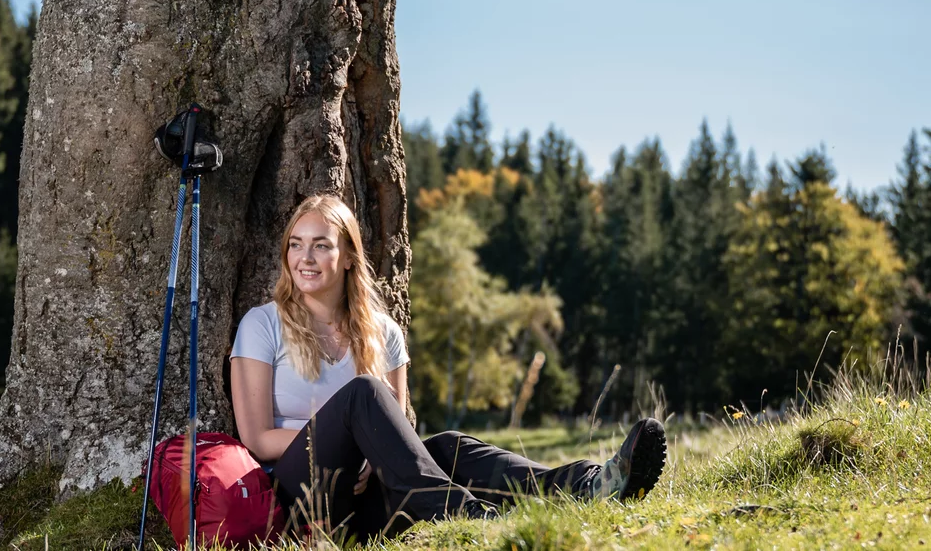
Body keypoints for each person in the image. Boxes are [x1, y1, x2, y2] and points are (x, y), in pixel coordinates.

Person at [229, 194, 666, 542]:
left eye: (321, 245)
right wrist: (354, 446)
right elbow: (257, 438)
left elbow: (395, 432)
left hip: (364, 513)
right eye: (296, 244)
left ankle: (593, 485)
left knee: (450, 446)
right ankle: (466, 514)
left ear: (347, 257)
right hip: (298, 502)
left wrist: (368, 454)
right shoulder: (263, 324)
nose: (305, 257)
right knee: (364, 392)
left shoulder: (383, 332)